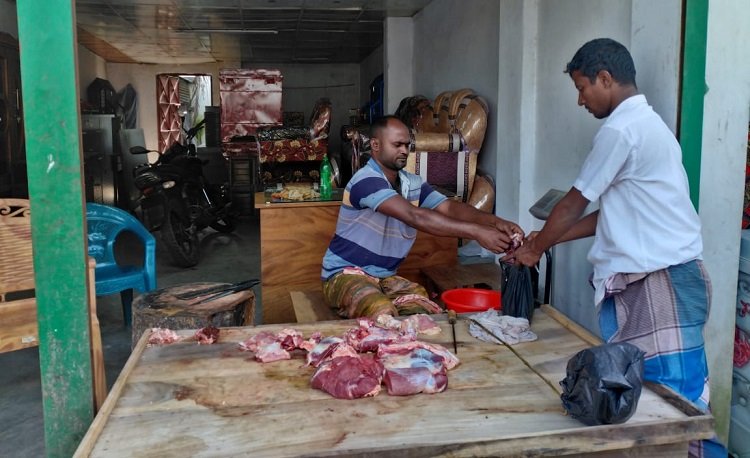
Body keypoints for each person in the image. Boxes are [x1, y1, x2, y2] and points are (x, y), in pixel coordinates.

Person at [512, 38, 725, 456]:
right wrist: (543, 239)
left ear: (605, 78)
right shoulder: (645, 125)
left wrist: (535, 250)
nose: (580, 100)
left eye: (582, 88)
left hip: (660, 281)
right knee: (654, 400)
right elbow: (607, 216)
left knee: (678, 405)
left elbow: (573, 204)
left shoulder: (621, 130)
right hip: (655, 279)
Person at [322, 115, 522, 318]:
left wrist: (496, 222)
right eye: (397, 145)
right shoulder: (366, 180)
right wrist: (478, 232)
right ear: (375, 145)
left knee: (423, 311)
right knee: (381, 311)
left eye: (407, 145)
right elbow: (414, 216)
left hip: (384, 278)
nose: (404, 151)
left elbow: (449, 208)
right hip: (345, 275)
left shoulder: (412, 183)